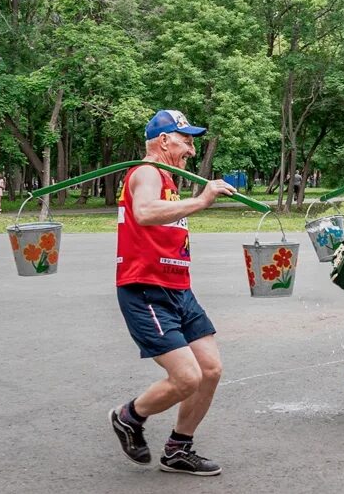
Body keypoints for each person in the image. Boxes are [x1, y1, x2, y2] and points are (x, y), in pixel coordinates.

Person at [110, 109, 236, 476]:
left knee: (210, 369)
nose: (192, 150)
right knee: (187, 377)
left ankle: (179, 449)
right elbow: (146, 212)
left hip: (179, 288)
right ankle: (128, 417)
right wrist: (202, 200)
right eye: (186, 141)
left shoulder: (169, 176)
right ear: (164, 140)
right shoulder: (147, 172)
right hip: (146, 289)